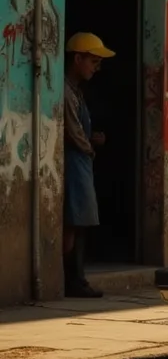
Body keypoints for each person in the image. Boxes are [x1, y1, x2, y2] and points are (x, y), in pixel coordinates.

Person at [63, 32, 113, 298]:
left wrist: (92, 138)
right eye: (93, 61)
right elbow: (71, 131)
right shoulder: (65, 92)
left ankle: (75, 278)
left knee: (79, 222)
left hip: (81, 159)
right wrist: (89, 147)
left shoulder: (76, 92)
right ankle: (74, 280)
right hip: (75, 162)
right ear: (77, 59)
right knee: (74, 222)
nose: (97, 67)